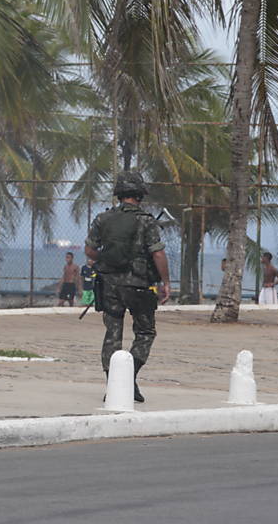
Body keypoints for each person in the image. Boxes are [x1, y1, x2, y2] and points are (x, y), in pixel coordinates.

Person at [85, 171, 170, 403]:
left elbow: (91, 251)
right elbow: (158, 254)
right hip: (139, 286)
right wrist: (166, 282)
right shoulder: (147, 221)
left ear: (119, 194)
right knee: (145, 332)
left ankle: (114, 383)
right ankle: (128, 379)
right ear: (140, 195)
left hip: (109, 285)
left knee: (112, 335)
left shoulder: (103, 219)